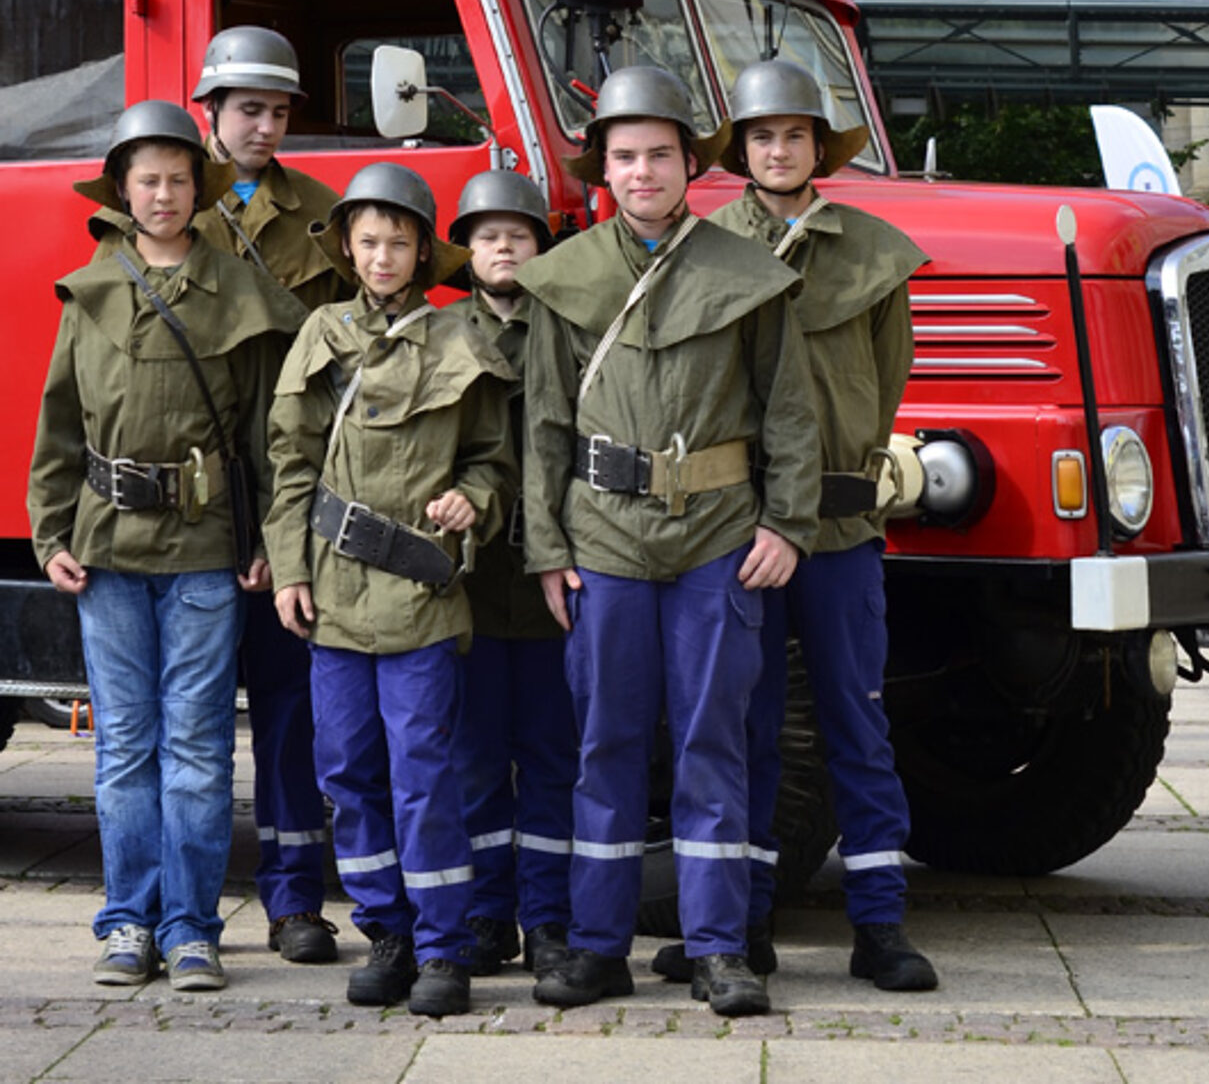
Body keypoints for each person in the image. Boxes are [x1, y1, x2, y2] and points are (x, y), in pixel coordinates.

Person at [518, 64, 820, 1020]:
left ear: (691, 163)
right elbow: (543, 427)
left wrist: (787, 524)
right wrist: (545, 547)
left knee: (711, 744)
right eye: (623, 157)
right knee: (604, 745)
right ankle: (600, 947)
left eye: (658, 155)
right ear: (600, 170)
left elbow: (790, 411)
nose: (641, 172)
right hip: (603, 540)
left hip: (718, 542)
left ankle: (720, 948)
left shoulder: (749, 275)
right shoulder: (566, 278)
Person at [653, 58, 937, 995]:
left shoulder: (872, 251)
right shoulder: (699, 249)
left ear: (820, 148)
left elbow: (884, 380)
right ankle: (747, 921)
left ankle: (881, 927)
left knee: (858, 721)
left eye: (795, 135)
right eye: (762, 136)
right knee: (745, 724)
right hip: (738, 532)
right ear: (739, 151)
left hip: (840, 533)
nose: (779, 149)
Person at [27, 101, 302, 992]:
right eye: (147, 179)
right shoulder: (91, 292)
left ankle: (191, 929)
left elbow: (268, 435)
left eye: (180, 179)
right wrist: (50, 533)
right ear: (122, 189)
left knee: (196, 748)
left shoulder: (240, 292)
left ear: (200, 188)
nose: (164, 194)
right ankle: (125, 925)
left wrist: (268, 540)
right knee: (125, 747)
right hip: (107, 552)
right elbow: (60, 426)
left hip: (205, 552)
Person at [264, 163, 514, 1018]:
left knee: (424, 773)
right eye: (367, 240)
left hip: (421, 599)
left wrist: (472, 499)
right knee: (347, 772)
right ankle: (388, 934)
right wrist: (290, 572)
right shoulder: (319, 337)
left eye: (398, 240)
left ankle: (444, 949)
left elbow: (492, 458)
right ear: (346, 247)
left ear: (422, 251)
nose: (381, 255)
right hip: (332, 598)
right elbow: (290, 468)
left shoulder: (460, 342)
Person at [192, 27, 347, 966]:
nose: (264, 125)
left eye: (280, 110)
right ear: (209, 110)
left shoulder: (327, 216)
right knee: (196, 719)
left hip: (290, 489)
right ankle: (184, 906)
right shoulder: (165, 212)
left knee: (292, 714)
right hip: (196, 501)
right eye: (248, 107)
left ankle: (294, 902)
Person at [448, 168, 577, 983]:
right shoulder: (438, 336)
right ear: (465, 248)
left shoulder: (569, 332)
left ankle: (551, 920)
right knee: (474, 759)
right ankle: (489, 914)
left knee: (555, 757)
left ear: (541, 248)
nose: (503, 246)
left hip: (551, 580)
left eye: (519, 234)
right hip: (465, 583)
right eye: (488, 234)